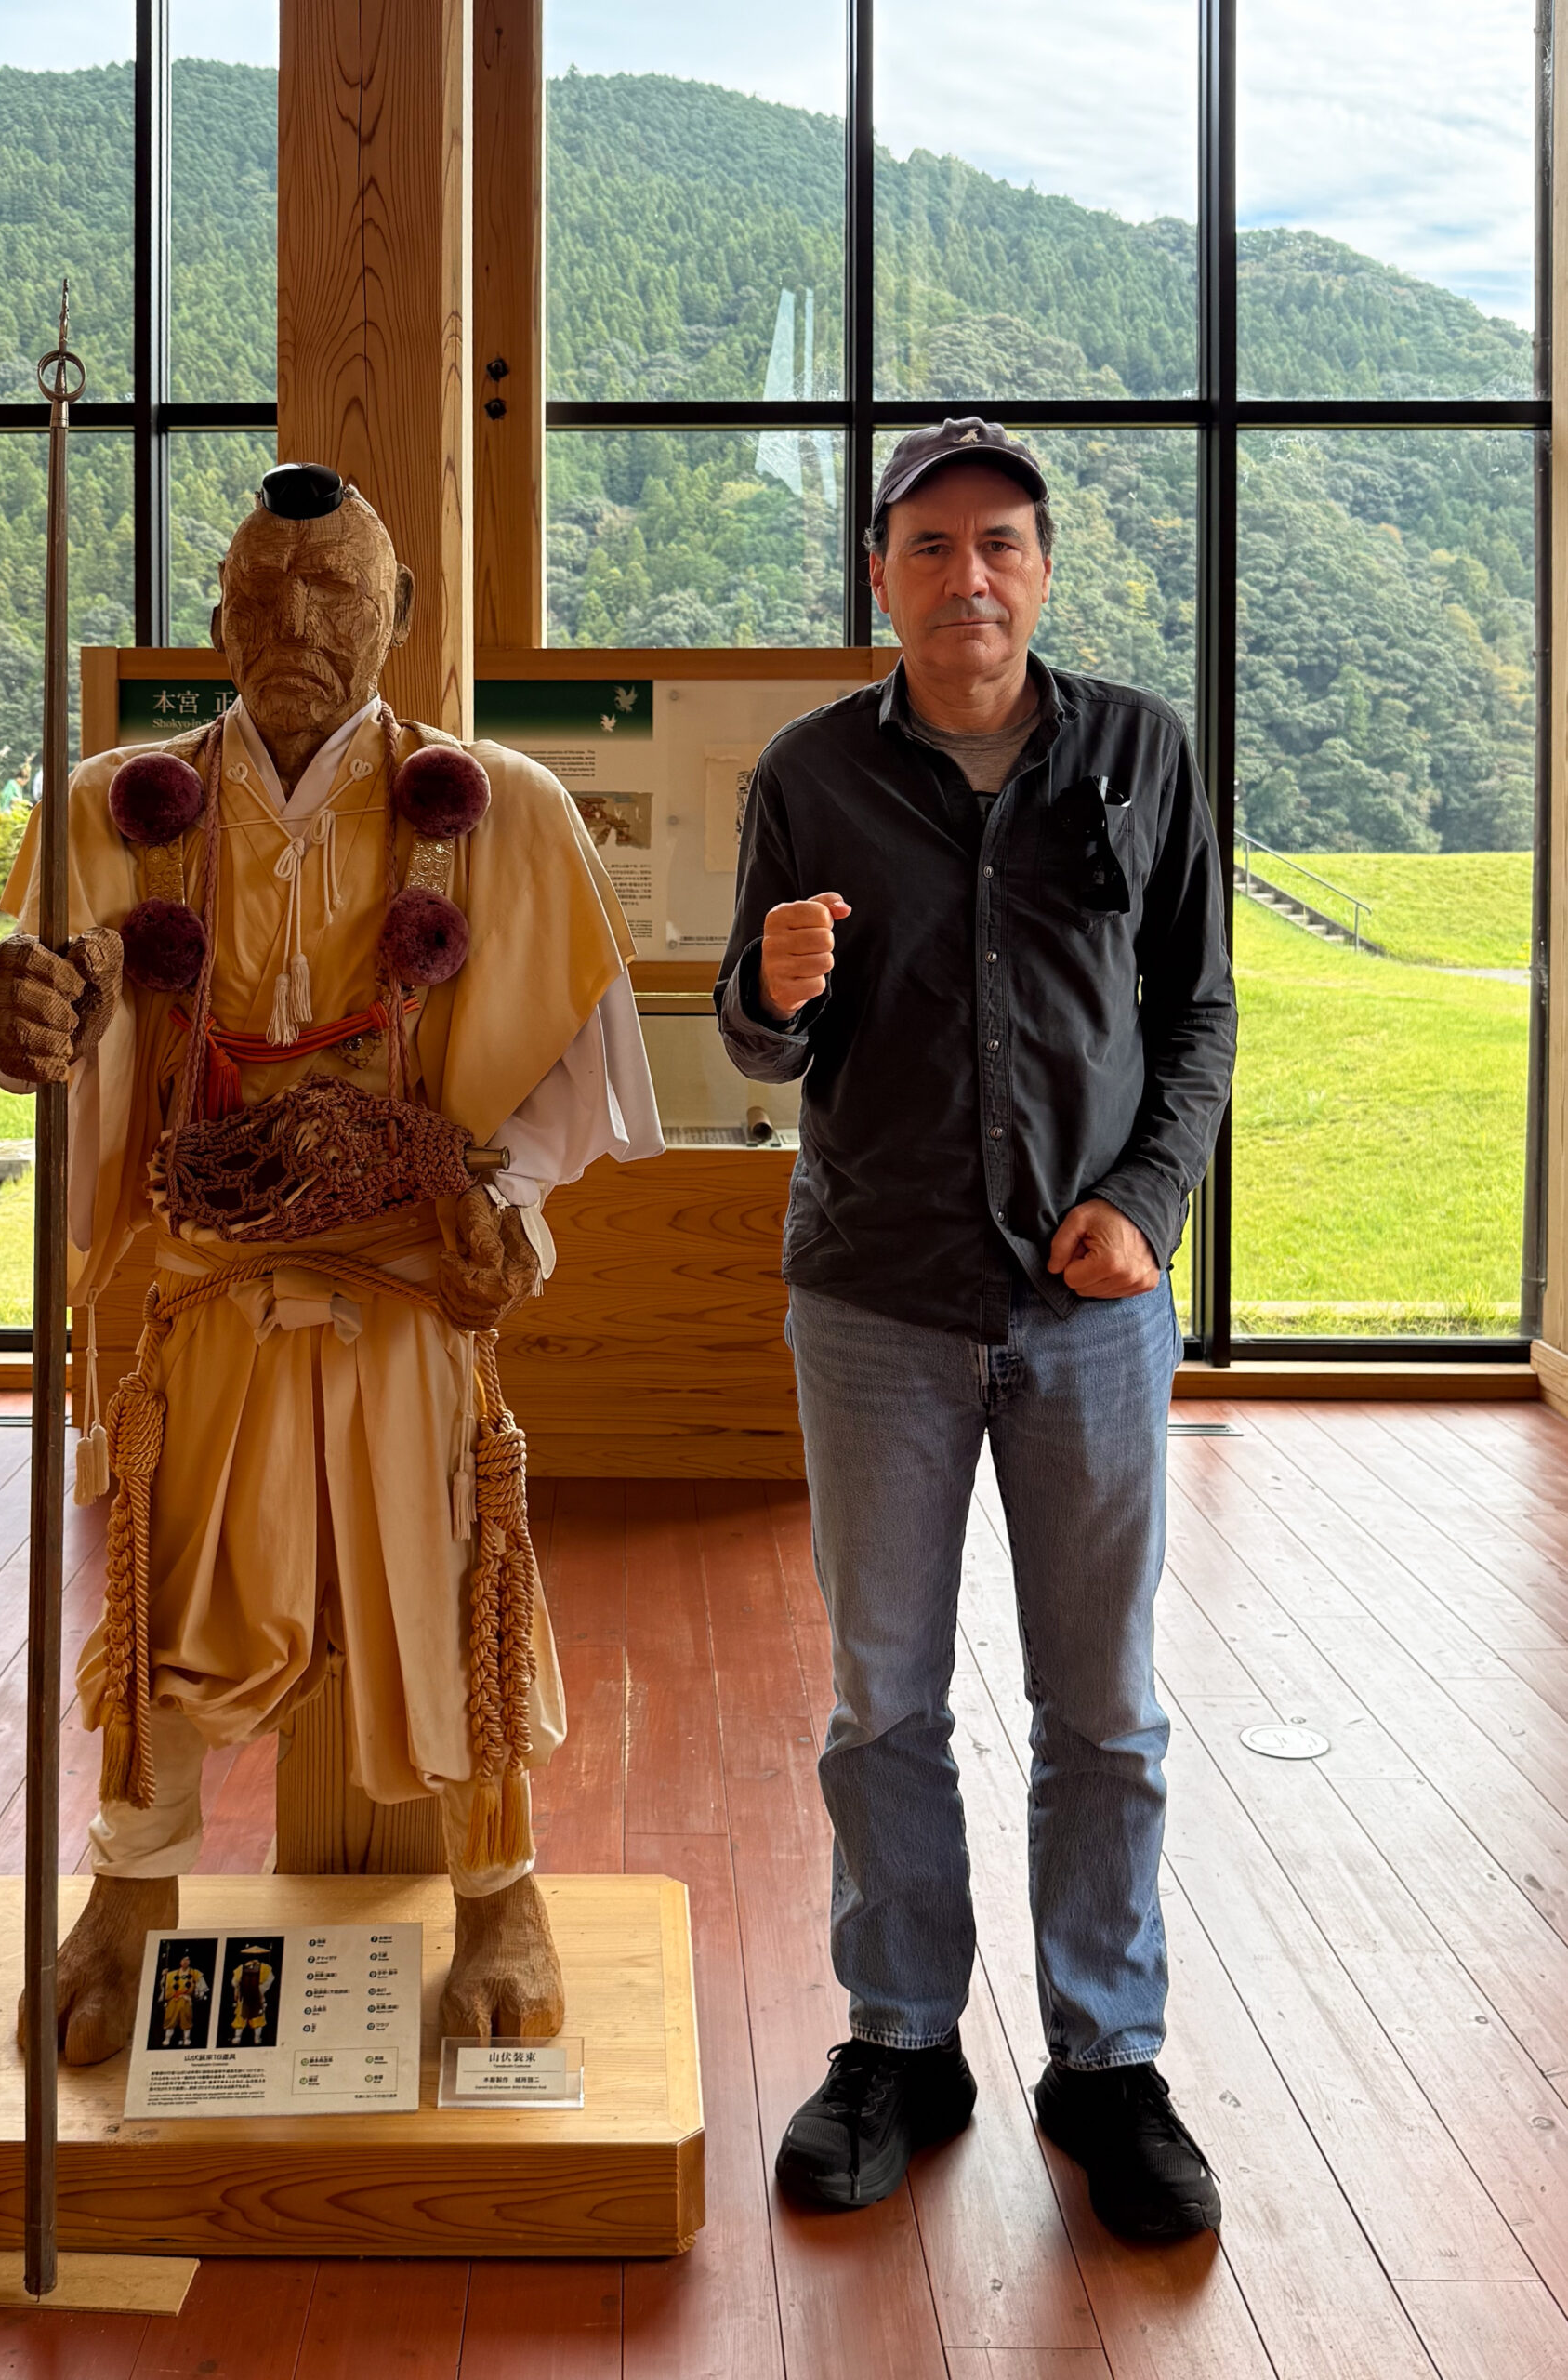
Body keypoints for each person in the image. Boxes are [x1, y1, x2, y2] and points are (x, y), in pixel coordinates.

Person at [0, 462, 660, 2063]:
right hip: (201, 1290)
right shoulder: (103, 807)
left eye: (336, 592)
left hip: (409, 1291)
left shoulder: (506, 811)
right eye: (263, 595)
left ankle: (499, 1891)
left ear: (400, 615)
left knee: (455, 1584)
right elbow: (59, 1041)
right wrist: (26, 1029)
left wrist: (513, 1210)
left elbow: (567, 1082)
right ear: (215, 614)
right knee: (165, 1590)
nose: (296, 623)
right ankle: (133, 1890)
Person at [717, 418, 1236, 2239]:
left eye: (1000, 544)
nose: (969, 579)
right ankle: (902, 2044)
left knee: (1106, 1708)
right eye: (929, 549)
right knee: (883, 1701)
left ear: (1044, 567)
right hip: (875, 1299)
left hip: (1090, 1308)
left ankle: (1108, 2060)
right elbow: (762, 1032)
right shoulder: (810, 774)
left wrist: (1147, 1206)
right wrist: (772, 995)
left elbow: (1201, 1022)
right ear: (881, 574)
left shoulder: (1142, 755)